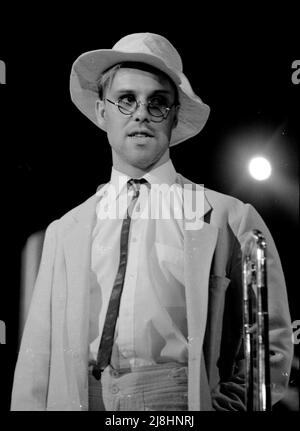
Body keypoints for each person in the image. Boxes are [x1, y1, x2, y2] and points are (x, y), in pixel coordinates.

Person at [11, 32, 293, 411]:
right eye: (126, 99)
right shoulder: (66, 230)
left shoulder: (229, 216)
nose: (141, 113)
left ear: (175, 116)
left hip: (182, 405)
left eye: (157, 102)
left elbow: (270, 345)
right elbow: (36, 360)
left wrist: (228, 409)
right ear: (101, 111)